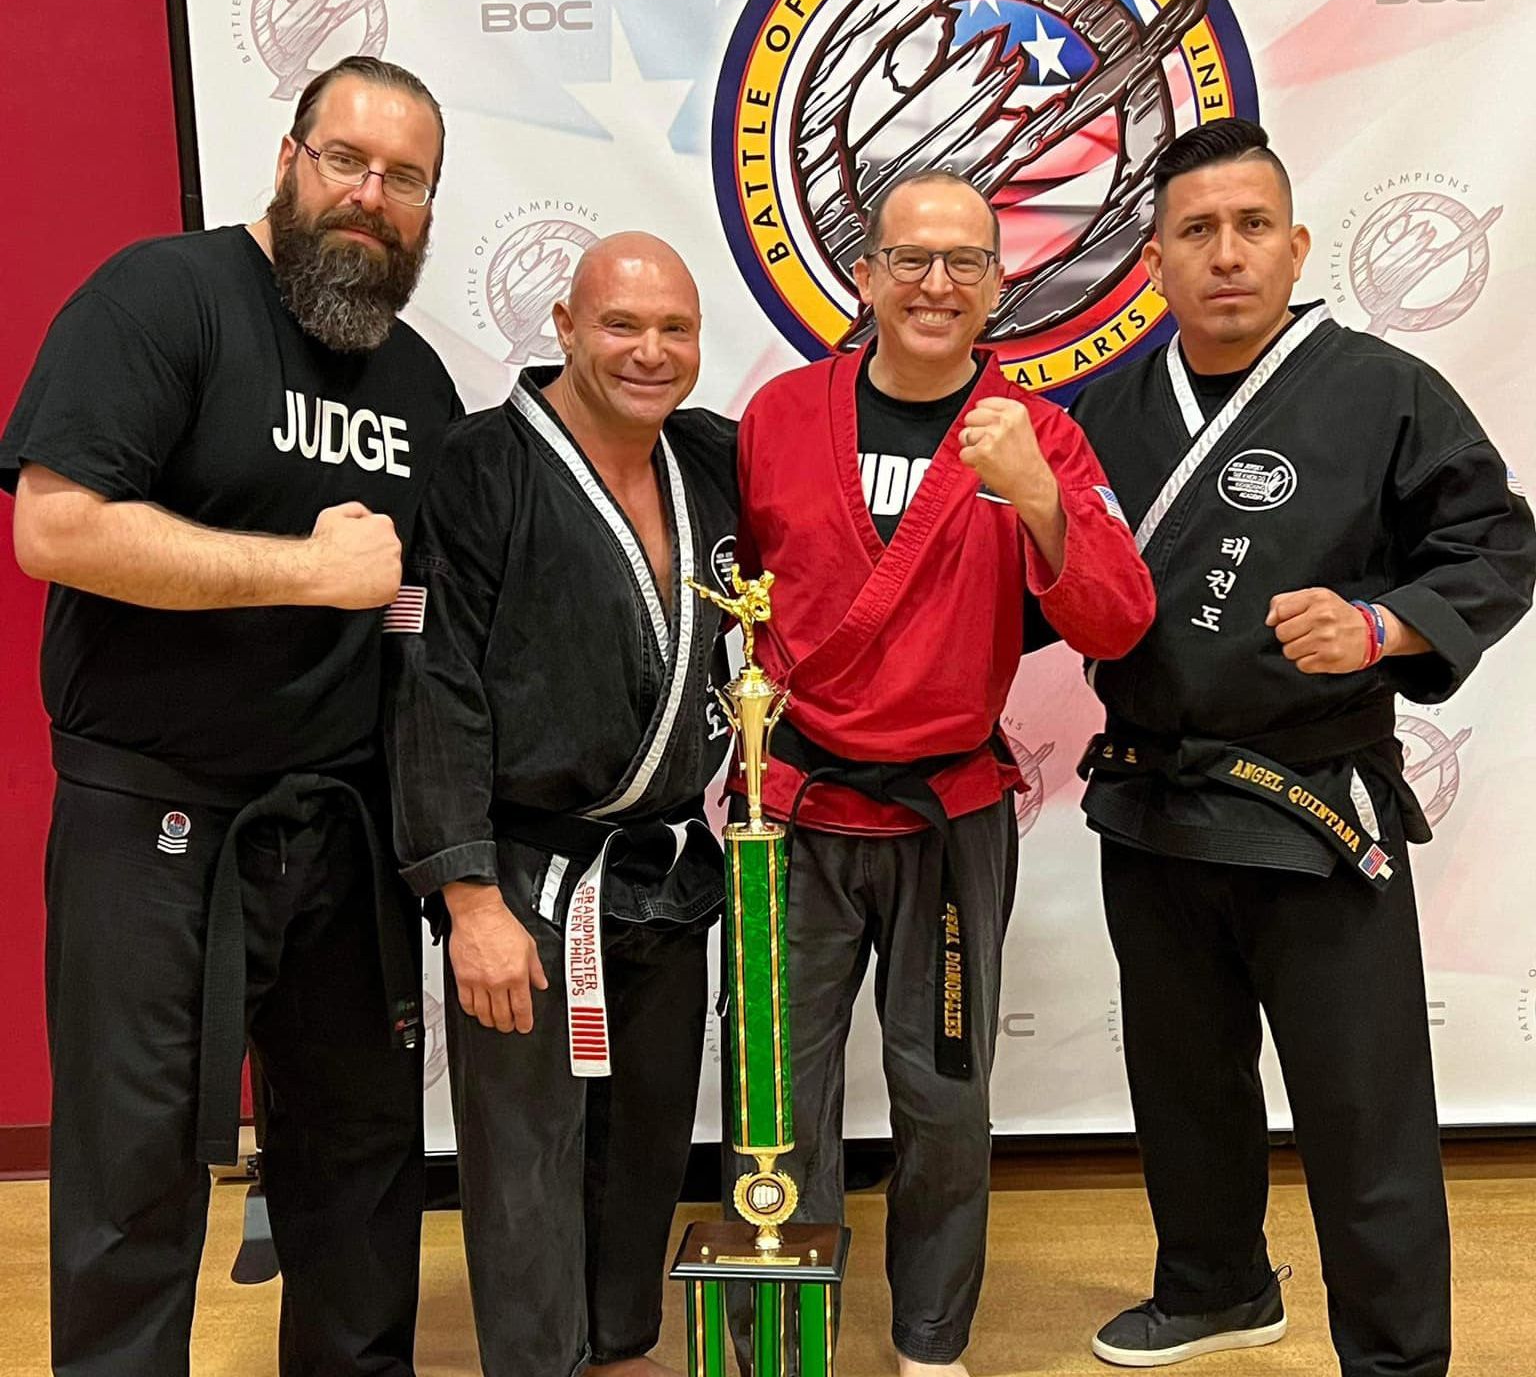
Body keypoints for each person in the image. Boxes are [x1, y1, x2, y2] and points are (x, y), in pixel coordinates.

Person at [0, 55, 461, 1377]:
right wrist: (303, 573)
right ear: (289, 156)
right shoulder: (165, 296)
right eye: (348, 161)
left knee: (362, 1167)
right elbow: (57, 525)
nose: (371, 197)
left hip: (340, 828)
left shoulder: (417, 385)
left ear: (430, 207)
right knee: (134, 1178)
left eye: (404, 178)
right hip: (155, 810)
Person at [1070, 117, 1536, 1375]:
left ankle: (1393, 1356)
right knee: (1183, 1081)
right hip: (1152, 800)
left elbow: (1496, 544)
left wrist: (1383, 625)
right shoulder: (1099, 411)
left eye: (1252, 227)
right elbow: (1043, 583)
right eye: (1196, 231)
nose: (1227, 254)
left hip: (1318, 806)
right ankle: (1215, 1285)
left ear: (1296, 247)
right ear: (1154, 259)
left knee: (1361, 1106)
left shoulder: (1382, 390)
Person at [729, 170, 1157, 1375]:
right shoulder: (777, 417)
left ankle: (930, 1342)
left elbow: (1121, 621)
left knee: (944, 1098)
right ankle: (781, 1340)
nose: (934, 283)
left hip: (951, 813)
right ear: (861, 276)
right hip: (798, 810)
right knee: (778, 1097)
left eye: (963, 261)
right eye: (909, 258)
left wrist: (1034, 496)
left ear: (998, 285)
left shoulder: (1042, 435)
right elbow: (746, 601)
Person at [383, 233, 737, 1377]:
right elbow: (433, 678)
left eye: (673, 328)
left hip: (667, 867)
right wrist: (469, 894)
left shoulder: (716, 461)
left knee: (643, 1142)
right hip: (528, 877)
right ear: (566, 327)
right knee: (527, 1156)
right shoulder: (482, 466)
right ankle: (536, 1362)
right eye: (621, 325)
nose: (649, 351)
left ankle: (622, 1346)